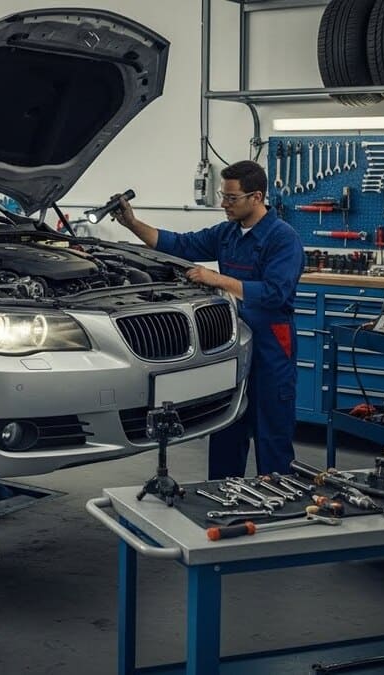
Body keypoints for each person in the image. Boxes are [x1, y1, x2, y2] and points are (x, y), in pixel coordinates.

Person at [112, 160, 304, 479]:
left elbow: (275, 293)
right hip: (233, 340)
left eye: (231, 198)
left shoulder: (283, 238)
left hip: (272, 344)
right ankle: (223, 494)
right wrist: (132, 223)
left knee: (272, 430)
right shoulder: (227, 232)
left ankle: (282, 504)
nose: (223, 204)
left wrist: (218, 280)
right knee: (227, 425)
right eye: (222, 195)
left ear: (256, 197)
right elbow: (179, 244)